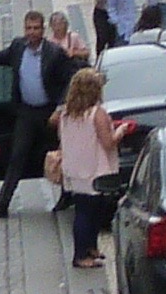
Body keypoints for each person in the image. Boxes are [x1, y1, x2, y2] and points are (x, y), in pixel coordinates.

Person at [0, 11, 73, 217]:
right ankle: (3, 203)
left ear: (43, 30)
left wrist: (60, 109)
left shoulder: (54, 53)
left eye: (36, 28)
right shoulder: (17, 47)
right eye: (28, 28)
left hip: (49, 112)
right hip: (27, 111)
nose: (32, 32)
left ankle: (67, 194)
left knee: (60, 154)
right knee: (17, 155)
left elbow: (69, 81)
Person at [52, 69, 122, 269]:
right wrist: (120, 131)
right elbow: (108, 142)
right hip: (95, 169)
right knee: (87, 213)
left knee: (89, 209)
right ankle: (80, 255)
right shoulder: (96, 113)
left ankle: (91, 247)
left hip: (74, 169)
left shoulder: (65, 114)